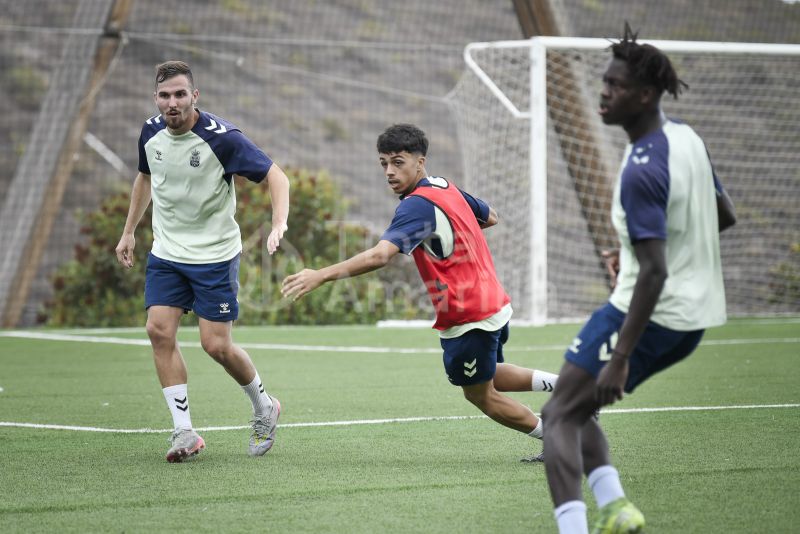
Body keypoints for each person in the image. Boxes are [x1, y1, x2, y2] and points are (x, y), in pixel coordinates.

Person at [540, 25, 737, 534]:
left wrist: (621, 357)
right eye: (604, 82)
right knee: (574, 406)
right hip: (690, 320)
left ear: (645, 95)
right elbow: (722, 215)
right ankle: (616, 508)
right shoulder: (686, 138)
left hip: (646, 312)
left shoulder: (640, 171)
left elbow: (654, 270)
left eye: (616, 85)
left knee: (558, 415)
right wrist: (629, 250)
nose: (604, 92)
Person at [281, 123, 558, 458]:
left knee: (479, 394)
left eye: (398, 162)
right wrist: (452, 238)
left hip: (468, 313)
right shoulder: (444, 186)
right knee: (490, 376)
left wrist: (321, 275)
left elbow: (380, 256)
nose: (389, 171)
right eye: (384, 163)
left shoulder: (415, 206)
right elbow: (490, 217)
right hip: (493, 302)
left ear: (420, 162)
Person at [115, 60, 290, 463]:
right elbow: (145, 177)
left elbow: (276, 176)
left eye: (180, 94)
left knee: (216, 345)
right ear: (155, 98)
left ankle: (264, 405)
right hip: (167, 253)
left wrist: (278, 221)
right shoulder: (150, 131)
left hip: (214, 257)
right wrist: (129, 231)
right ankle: (184, 432)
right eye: (164, 95)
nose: (172, 103)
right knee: (158, 331)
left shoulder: (223, 138)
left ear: (195, 96)